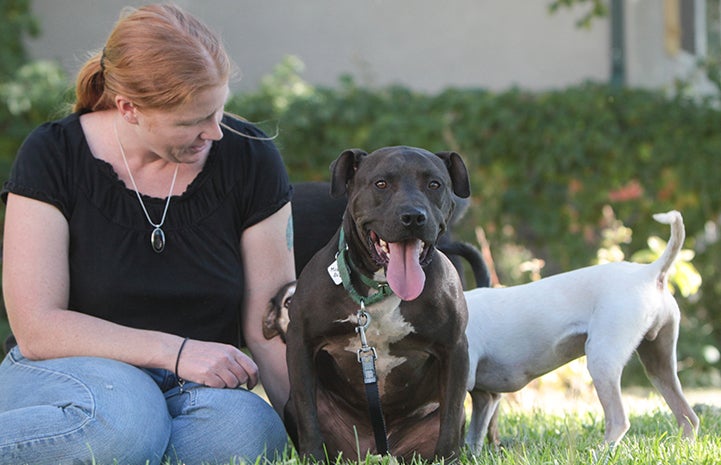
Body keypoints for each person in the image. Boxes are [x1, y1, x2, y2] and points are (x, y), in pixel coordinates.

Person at [0, 4, 294, 465]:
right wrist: (174, 351)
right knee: (123, 424)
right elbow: (37, 327)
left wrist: (309, 428)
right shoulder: (53, 154)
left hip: (193, 390)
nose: (215, 133)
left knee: (249, 435)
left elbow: (271, 324)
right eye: (191, 121)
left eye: (218, 110)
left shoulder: (250, 159)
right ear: (128, 109)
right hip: (68, 375)